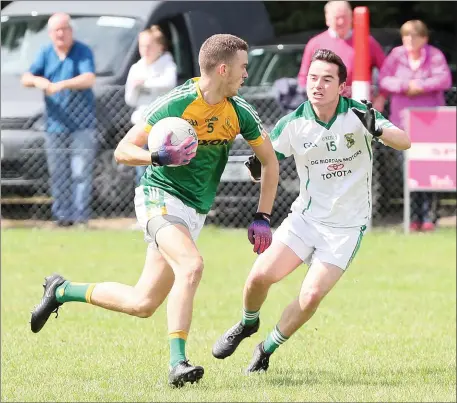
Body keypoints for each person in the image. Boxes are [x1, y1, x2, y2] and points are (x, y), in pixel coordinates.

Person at [29, 34, 279, 387]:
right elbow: (122, 150)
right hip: (158, 196)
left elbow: (270, 162)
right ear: (223, 69)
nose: (246, 75)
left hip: (193, 211)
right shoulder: (175, 103)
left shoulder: (239, 112)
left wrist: (263, 216)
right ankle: (178, 364)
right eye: (243, 68)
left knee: (142, 302)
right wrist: (156, 157)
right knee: (191, 266)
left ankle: (61, 290)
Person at [212, 49, 410, 373]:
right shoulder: (294, 123)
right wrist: (256, 166)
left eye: (327, 79)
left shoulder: (359, 115)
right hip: (305, 218)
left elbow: (404, 141)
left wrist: (378, 130)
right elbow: (264, 164)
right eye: (313, 78)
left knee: (311, 295)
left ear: (342, 87)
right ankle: (248, 324)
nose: (317, 85)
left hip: (346, 227)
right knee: (258, 277)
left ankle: (266, 349)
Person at [21, 13, 97, 227]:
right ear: (50, 34)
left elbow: (88, 78)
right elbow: (26, 78)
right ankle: (62, 217)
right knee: (58, 173)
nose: (61, 33)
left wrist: (61, 85)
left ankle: (81, 217)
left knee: (80, 172)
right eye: (56, 30)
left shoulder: (82, 51)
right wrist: (39, 82)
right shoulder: (46, 52)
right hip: (55, 124)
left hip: (82, 124)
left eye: (64, 29)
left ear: (71, 31)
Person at [378, 20, 452, 232]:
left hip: (431, 123)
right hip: (403, 122)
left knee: (429, 169)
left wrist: (420, 86)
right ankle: (412, 216)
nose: (410, 40)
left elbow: (444, 78)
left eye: (415, 36)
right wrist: (404, 86)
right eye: (406, 36)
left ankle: (429, 216)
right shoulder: (395, 56)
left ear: (424, 38)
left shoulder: (435, 55)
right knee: (407, 169)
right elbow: (384, 80)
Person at [297, 0, 386, 112]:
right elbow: (303, 77)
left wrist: (381, 97)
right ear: (327, 19)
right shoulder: (315, 43)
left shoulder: (366, 41)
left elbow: (386, 71)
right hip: (325, 108)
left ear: (351, 17)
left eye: (344, 17)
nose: (341, 22)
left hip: (359, 106)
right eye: (337, 18)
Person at [125, 25, 178, 185]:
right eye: (142, 46)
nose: (145, 50)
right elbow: (130, 99)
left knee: (162, 168)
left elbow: (168, 83)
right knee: (142, 169)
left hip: (161, 126)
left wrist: (144, 83)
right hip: (140, 126)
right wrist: (136, 87)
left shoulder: (168, 65)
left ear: (160, 47)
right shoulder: (136, 68)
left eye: (149, 46)